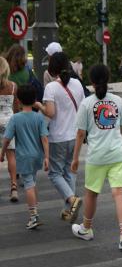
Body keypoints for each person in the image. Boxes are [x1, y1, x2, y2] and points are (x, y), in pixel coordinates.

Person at [71, 64, 122, 251]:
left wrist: (75, 159)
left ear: (91, 81)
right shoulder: (117, 100)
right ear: (108, 78)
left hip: (96, 156)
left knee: (91, 193)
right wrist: (118, 139)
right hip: (118, 154)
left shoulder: (86, 104)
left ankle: (87, 229)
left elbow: (81, 134)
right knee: (119, 193)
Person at [36, 52, 84, 223]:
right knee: (69, 171)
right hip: (75, 135)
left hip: (58, 136)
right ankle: (68, 209)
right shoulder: (78, 84)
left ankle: (72, 200)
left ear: (52, 68)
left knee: (55, 173)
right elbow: (83, 109)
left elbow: (50, 113)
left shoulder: (51, 88)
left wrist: (39, 106)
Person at [1, 84, 49, 230]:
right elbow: (44, 138)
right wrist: (47, 157)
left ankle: (33, 216)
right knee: (32, 181)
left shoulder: (15, 119)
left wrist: (2, 152)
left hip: (24, 156)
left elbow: (7, 138)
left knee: (28, 184)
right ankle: (35, 208)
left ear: (19, 100)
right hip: (37, 156)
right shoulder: (39, 118)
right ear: (35, 99)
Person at [0, 57, 20, 202]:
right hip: (10, 123)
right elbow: (16, 109)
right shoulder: (13, 86)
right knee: (11, 156)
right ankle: (14, 188)